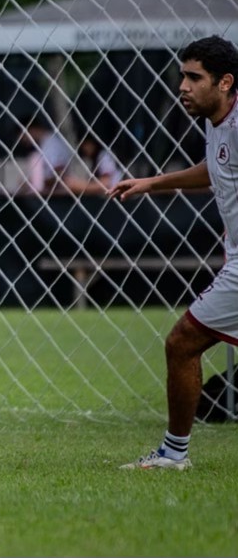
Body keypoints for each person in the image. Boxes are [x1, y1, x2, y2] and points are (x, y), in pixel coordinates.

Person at [110, 35, 238, 470]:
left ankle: (173, 454)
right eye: (182, 75)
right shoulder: (215, 120)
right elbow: (215, 169)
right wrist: (150, 183)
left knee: (182, 343)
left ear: (225, 82)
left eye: (193, 77)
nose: (182, 86)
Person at [18, 114, 71, 196]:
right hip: (49, 194)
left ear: (31, 130)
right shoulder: (43, 144)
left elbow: (60, 172)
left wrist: (39, 183)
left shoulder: (52, 144)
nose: (24, 141)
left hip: (58, 197)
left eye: (24, 136)